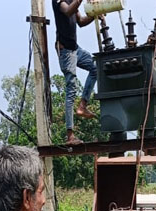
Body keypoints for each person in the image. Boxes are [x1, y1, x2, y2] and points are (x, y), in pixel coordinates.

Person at [53, 0, 99, 145]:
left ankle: (82, 106)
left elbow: (81, 21)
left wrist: (95, 15)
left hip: (75, 49)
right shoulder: (60, 2)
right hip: (66, 52)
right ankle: (70, 135)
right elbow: (67, 11)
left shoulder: (71, 2)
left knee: (95, 68)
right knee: (71, 90)